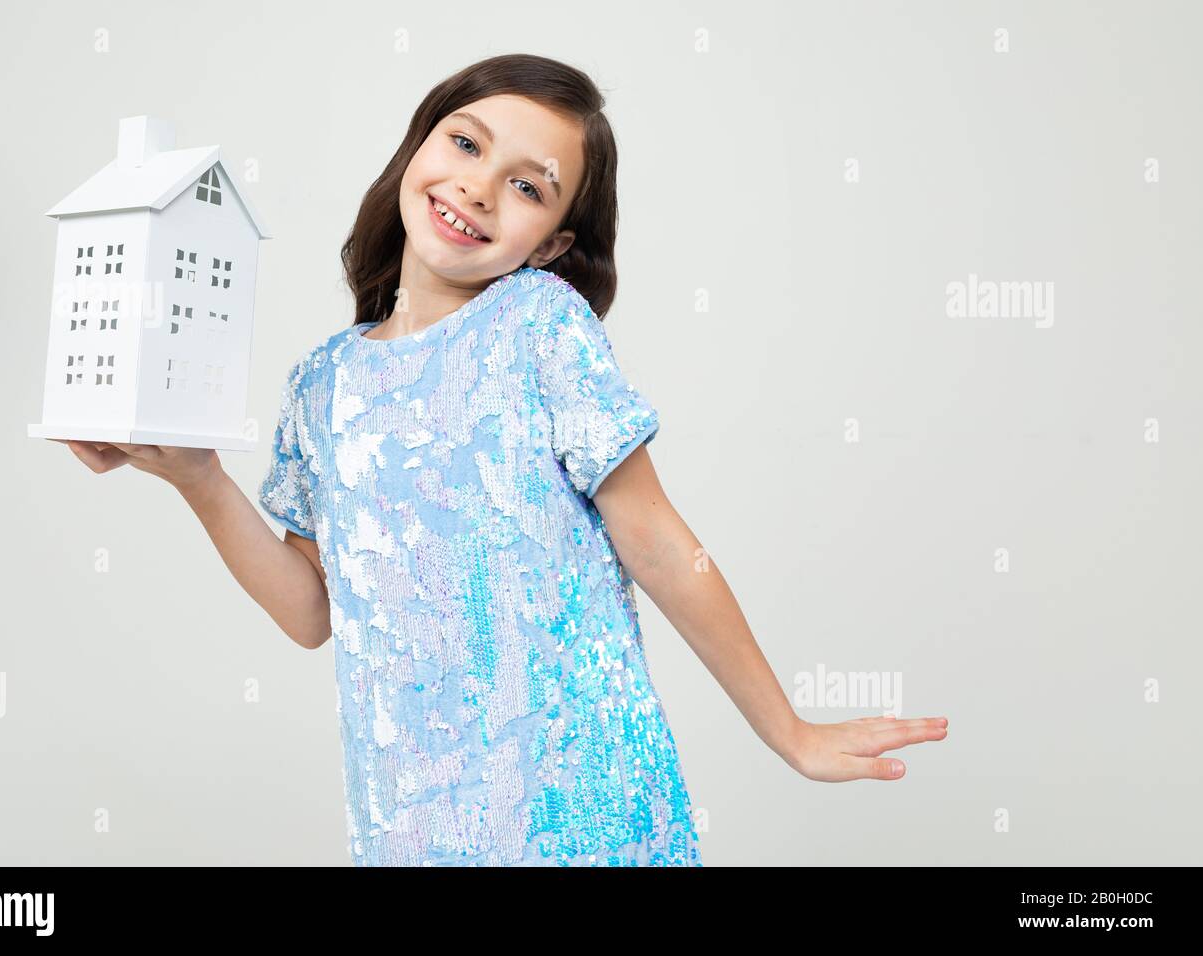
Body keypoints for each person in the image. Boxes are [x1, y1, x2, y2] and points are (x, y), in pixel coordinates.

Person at [56, 53, 949, 867]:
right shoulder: (323, 383)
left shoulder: (539, 325)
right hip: (410, 829)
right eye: (465, 143)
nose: (479, 188)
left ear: (554, 243)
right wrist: (198, 480)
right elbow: (310, 611)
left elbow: (659, 544)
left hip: (583, 814)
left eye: (527, 185)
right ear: (417, 149)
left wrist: (787, 732)